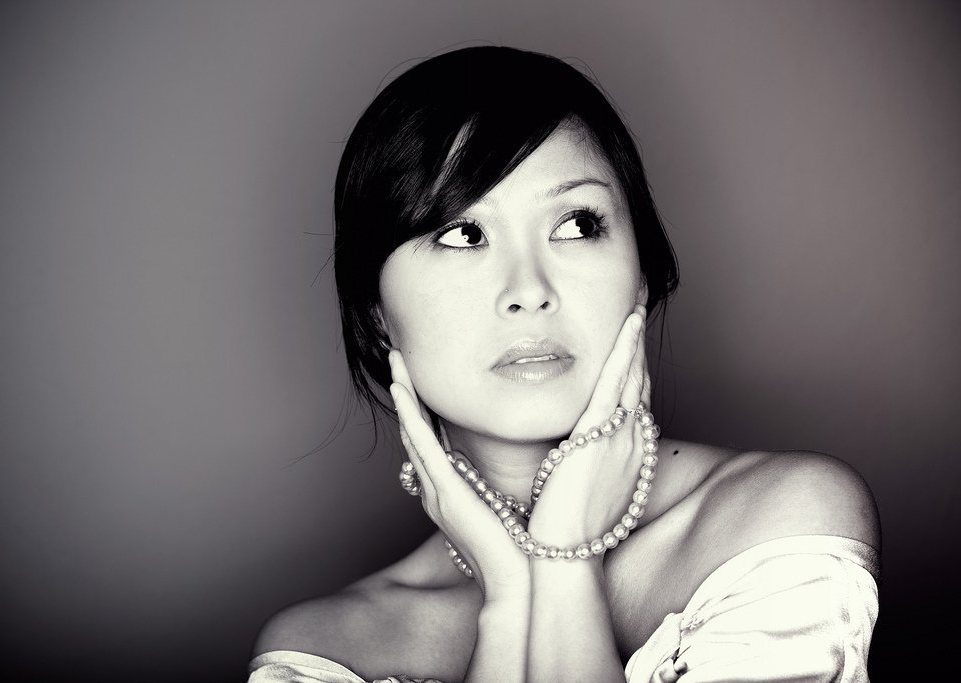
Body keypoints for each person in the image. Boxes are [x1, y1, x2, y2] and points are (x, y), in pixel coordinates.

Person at [248, 46, 880, 683]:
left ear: (642, 275)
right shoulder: (325, 649)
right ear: (377, 310)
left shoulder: (780, 520)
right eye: (463, 235)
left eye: (576, 224)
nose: (528, 290)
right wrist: (510, 599)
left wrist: (565, 562)